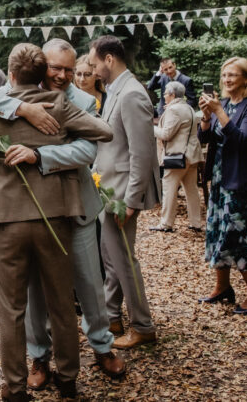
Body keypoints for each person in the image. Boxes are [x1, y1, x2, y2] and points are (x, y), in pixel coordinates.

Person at [0, 39, 126, 388]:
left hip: (74, 206)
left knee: (88, 286)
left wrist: (41, 156)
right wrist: (23, 110)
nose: (64, 75)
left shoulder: (82, 101)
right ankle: (41, 357)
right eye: (56, 68)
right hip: (37, 213)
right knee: (38, 296)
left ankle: (101, 347)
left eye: (70, 70)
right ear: (42, 67)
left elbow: (87, 149)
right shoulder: (12, 98)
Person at [87, 35, 161, 350]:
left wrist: (131, 201)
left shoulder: (131, 94)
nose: (91, 70)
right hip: (108, 189)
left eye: (93, 64)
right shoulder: (115, 91)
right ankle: (112, 315)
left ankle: (143, 325)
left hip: (121, 193)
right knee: (112, 256)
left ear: (109, 60)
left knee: (124, 261)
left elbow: (141, 153)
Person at [197, 57, 247, 315]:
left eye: (233, 75)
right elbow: (206, 138)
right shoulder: (224, 104)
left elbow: (244, 142)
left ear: (246, 80)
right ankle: (223, 287)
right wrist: (206, 117)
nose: (227, 80)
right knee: (218, 231)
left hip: (241, 184)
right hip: (220, 180)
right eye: (224, 75)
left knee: (239, 237)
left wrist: (218, 112)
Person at [150, 81, 203, 233]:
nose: (164, 96)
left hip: (178, 155)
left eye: (165, 93)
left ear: (172, 95)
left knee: (168, 188)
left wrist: (151, 127)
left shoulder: (174, 110)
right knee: (191, 189)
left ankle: (166, 223)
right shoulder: (189, 108)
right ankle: (195, 222)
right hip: (192, 155)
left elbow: (166, 134)